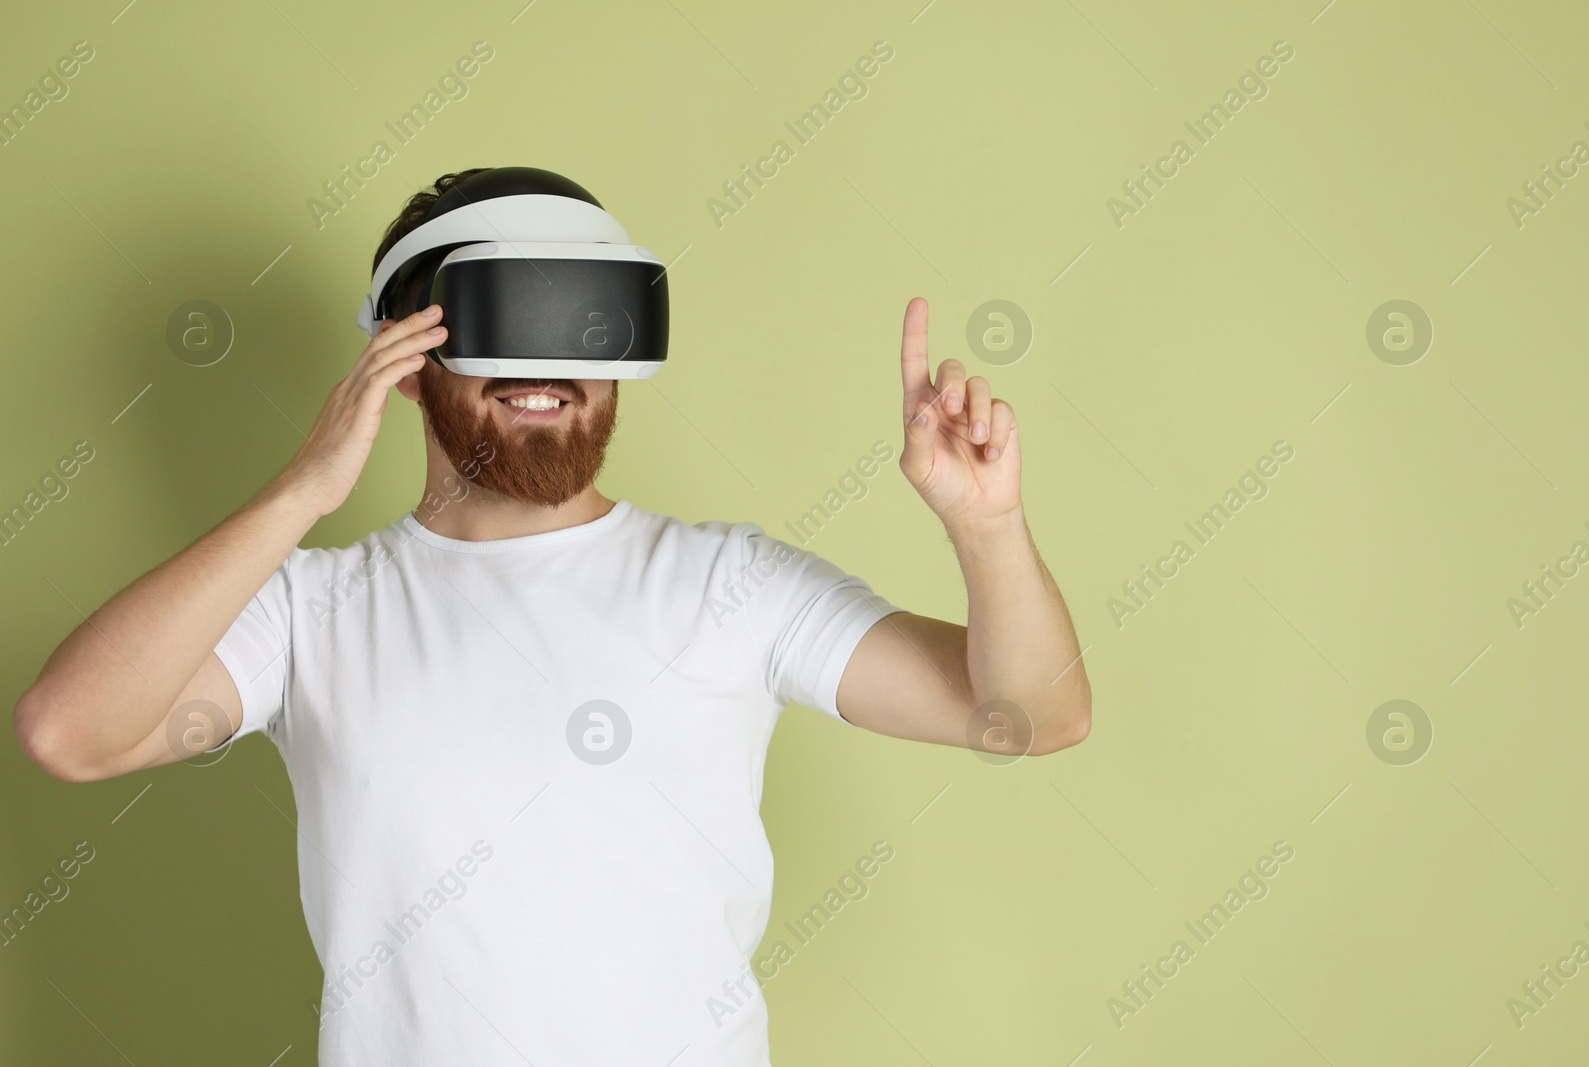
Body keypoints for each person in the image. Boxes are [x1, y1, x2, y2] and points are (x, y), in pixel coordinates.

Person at [13, 169, 1091, 1066]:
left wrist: (985, 528)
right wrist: (300, 493)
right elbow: (72, 730)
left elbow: (1031, 715)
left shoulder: (732, 585)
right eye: (502, 321)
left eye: (584, 325)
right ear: (402, 356)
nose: (548, 367)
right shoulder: (314, 612)